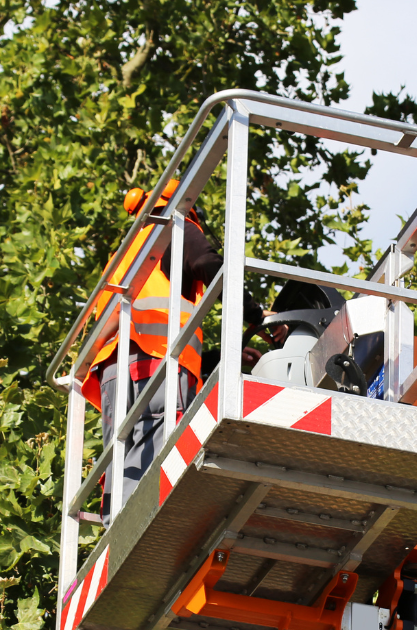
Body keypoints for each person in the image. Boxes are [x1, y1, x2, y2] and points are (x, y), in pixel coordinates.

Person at [81, 179, 283, 523]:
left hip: (114, 370)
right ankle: (139, 524)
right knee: (155, 446)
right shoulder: (175, 227)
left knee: (122, 450)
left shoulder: (128, 252)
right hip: (155, 366)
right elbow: (208, 263)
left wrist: (220, 358)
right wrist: (257, 315)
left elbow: (153, 322)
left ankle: (115, 525)